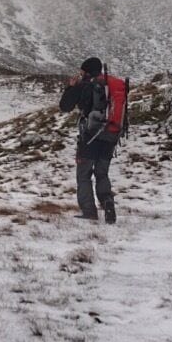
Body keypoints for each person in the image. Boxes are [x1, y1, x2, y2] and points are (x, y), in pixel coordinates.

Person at [58, 56, 123, 223]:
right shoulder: (111, 86)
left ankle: (89, 211)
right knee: (102, 173)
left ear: (86, 71)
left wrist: (70, 87)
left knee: (84, 174)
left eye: (82, 71)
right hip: (111, 135)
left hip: (89, 136)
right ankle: (107, 202)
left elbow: (65, 106)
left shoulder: (84, 86)